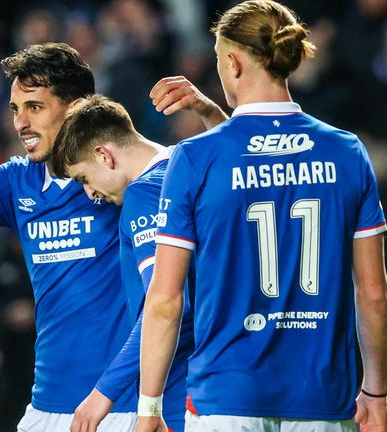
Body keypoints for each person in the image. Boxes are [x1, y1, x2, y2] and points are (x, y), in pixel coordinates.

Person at [0, 35, 222, 431]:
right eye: (15, 109)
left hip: (120, 403)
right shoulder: (17, 181)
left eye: (35, 107)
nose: (20, 122)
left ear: (76, 107)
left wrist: (210, 115)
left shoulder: (125, 179)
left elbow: (165, 300)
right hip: (46, 402)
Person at [136, 1, 387, 432]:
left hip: (225, 398)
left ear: (232, 62)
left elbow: (165, 300)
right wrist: (377, 393)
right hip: (323, 398)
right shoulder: (347, 151)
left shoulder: (196, 158)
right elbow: (373, 294)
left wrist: (149, 409)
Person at [49, 90, 226, 432]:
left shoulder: (144, 194)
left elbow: (166, 302)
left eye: (84, 179)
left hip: (189, 387)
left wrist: (104, 393)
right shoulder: (197, 166)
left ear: (103, 155)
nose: (91, 195)